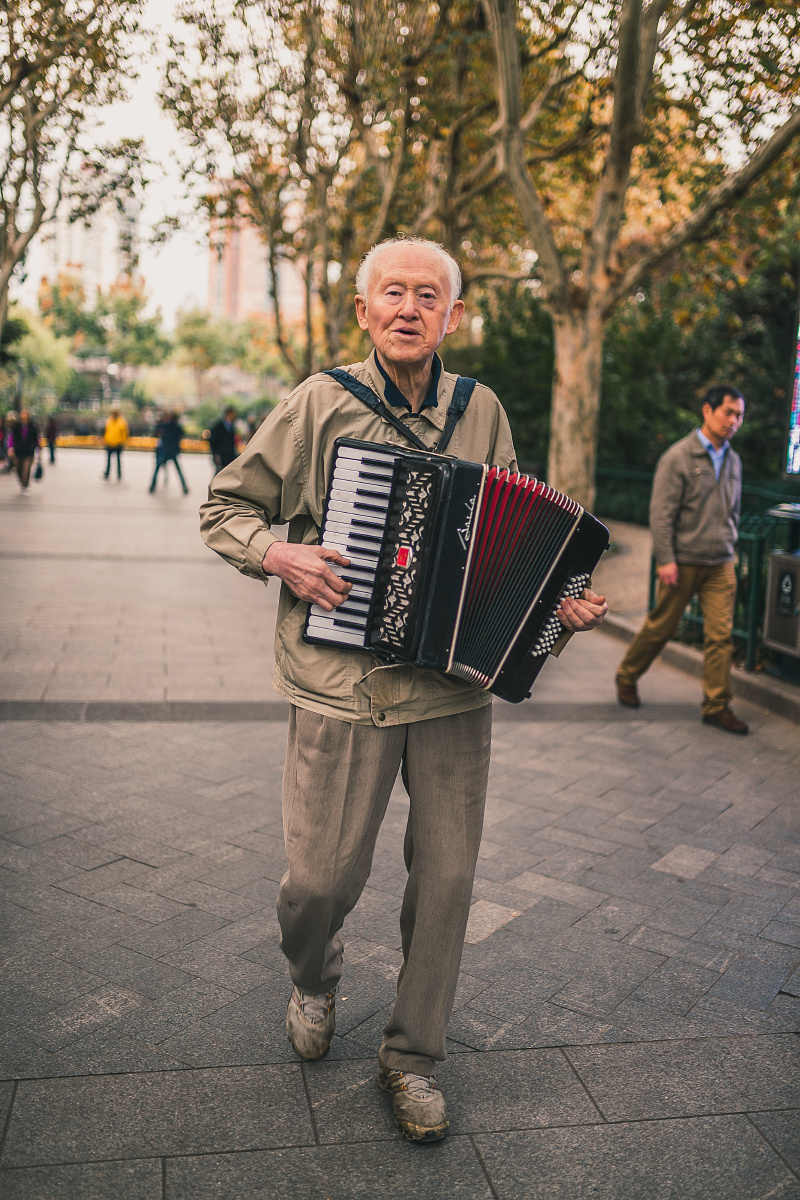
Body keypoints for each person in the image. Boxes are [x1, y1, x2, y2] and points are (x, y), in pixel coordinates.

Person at [200, 237, 607, 1143]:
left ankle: (413, 1059)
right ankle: (313, 974)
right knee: (318, 880)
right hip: (345, 687)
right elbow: (224, 506)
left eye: (430, 295)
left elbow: (505, 538)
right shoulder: (318, 404)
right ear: (364, 309)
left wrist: (555, 603)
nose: (410, 308)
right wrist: (283, 553)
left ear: (454, 316)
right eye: (393, 292)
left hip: (453, 692)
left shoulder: (482, 408)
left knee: (449, 883)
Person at [616, 385, 748, 734]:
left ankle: (716, 705)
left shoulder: (733, 461)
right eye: (728, 413)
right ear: (707, 411)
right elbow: (661, 514)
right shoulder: (678, 457)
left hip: (721, 563)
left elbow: (734, 511)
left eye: (739, 415)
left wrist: (731, 549)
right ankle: (627, 676)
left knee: (720, 636)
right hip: (683, 561)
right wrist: (666, 559)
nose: (734, 421)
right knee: (663, 627)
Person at [149, 410, 189, 494]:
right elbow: (182, 435)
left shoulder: (163, 426)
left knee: (157, 469)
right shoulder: (177, 427)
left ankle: (152, 486)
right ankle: (184, 487)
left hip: (164, 450)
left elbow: (155, 433)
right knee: (178, 470)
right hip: (173, 451)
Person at [9, 408, 40, 493]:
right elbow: (11, 437)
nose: (24, 415)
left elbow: (36, 439)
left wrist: (38, 448)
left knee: (26, 469)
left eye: (25, 414)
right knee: (18, 468)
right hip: (18, 451)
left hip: (29, 451)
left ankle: (25, 485)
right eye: (22, 413)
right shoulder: (16, 426)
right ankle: (22, 482)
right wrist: (10, 447)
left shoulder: (33, 426)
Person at [208, 406, 238, 471]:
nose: (235, 416)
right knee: (219, 474)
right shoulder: (218, 426)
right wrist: (216, 453)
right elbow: (212, 440)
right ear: (228, 414)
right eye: (233, 414)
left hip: (229, 457)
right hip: (221, 456)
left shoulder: (231, 426)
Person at [103, 407, 129, 480]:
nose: (114, 414)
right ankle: (107, 473)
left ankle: (119, 474)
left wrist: (123, 442)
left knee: (118, 460)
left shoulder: (122, 422)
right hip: (109, 443)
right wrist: (105, 440)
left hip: (118, 444)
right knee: (108, 460)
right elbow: (106, 431)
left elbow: (125, 433)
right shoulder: (109, 420)